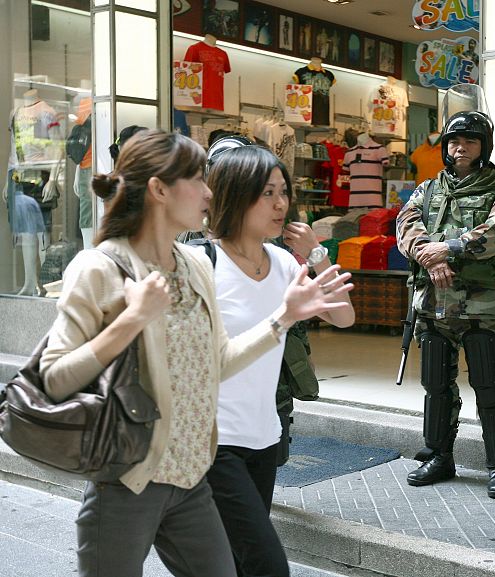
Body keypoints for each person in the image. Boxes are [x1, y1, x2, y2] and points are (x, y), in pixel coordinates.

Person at [37, 129, 352, 577]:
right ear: (159, 190)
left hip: (191, 470)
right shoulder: (98, 266)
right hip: (131, 471)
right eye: (198, 178)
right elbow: (54, 378)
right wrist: (132, 319)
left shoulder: (194, 266)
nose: (209, 191)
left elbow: (217, 362)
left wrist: (283, 319)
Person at [201, 135, 354, 577]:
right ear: (233, 194)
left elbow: (344, 316)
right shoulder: (202, 263)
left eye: (283, 191)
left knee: (234, 561)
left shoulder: (285, 263)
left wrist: (317, 256)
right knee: (268, 564)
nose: (279, 203)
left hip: (264, 437)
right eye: (266, 193)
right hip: (216, 442)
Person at [396, 110, 495, 499]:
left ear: (483, 146)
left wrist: (446, 250)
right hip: (434, 303)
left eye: (469, 140)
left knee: (486, 384)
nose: (459, 147)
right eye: (453, 141)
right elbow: (405, 225)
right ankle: (438, 455)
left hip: (479, 305)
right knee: (436, 385)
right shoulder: (429, 189)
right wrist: (427, 256)